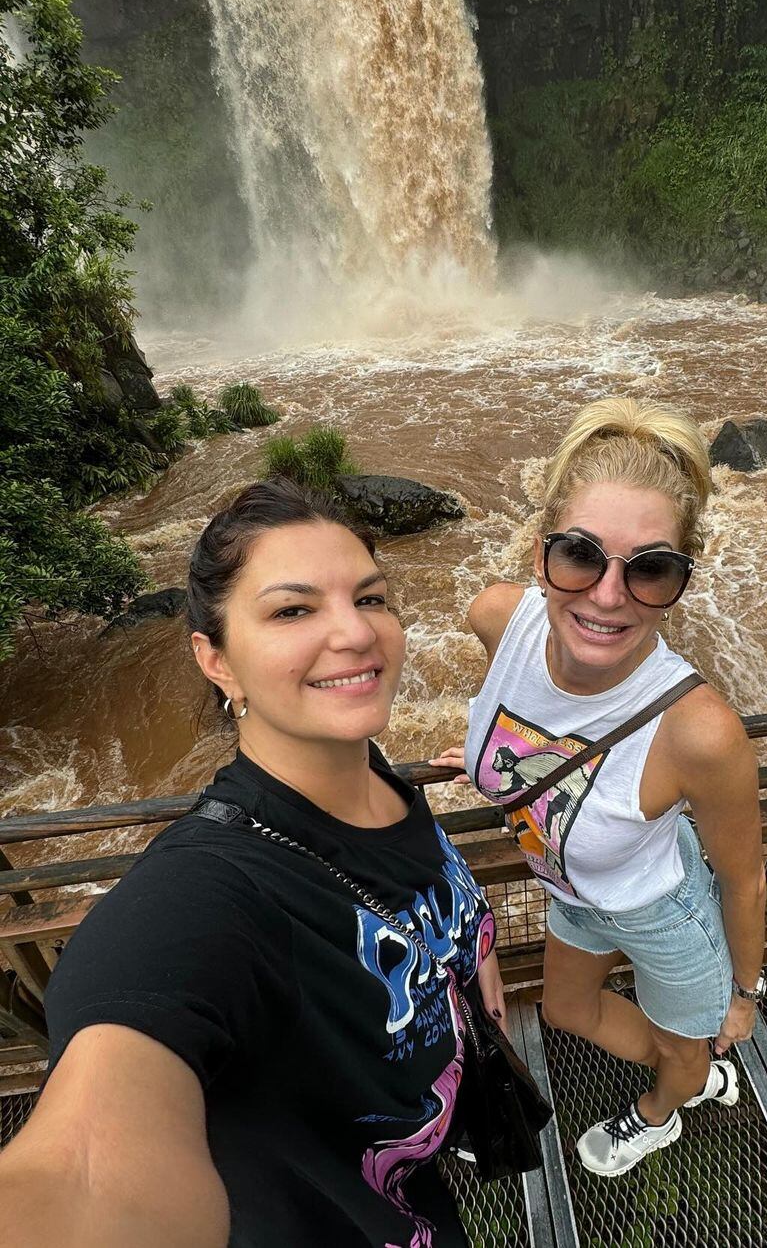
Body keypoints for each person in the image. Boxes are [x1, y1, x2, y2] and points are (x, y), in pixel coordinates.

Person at [0, 478, 504, 1248]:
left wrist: (476, 985)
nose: (357, 632)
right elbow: (86, 1168)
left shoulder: (376, 778)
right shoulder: (205, 894)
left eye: (371, 598)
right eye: (293, 609)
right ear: (216, 658)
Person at [434, 398, 764, 1178]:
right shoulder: (495, 617)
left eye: (650, 568)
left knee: (688, 1048)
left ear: (682, 576)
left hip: (663, 906)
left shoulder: (698, 732)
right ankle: (691, 1065)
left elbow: (744, 875)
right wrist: (487, 755)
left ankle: (662, 1108)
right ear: (543, 543)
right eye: (581, 554)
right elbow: (530, 720)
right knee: (566, 1010)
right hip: (576, 887)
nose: (609, 595)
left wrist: (743, 995)